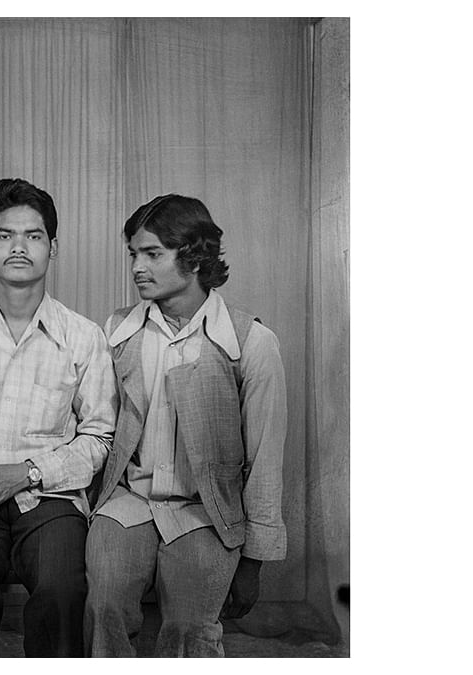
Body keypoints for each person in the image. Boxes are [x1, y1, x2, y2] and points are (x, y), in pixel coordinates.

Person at [84, 194, 288, 657]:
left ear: (194, 256)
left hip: (206, 512)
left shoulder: (251, 342)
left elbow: (265, 460)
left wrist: (254, 560)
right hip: (128, 502)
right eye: (134, 253)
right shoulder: (116, 332)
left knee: (189, 628)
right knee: (104, 608)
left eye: (152, 253)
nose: (137, 266)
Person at [0, 178, 117, 657]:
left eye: (33, 236)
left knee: (62, 591)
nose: (18, 247)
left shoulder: (83, 336)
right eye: (5, 235)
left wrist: (28, 473)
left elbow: (98, 437)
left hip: (49, 497)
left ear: (53, 248)